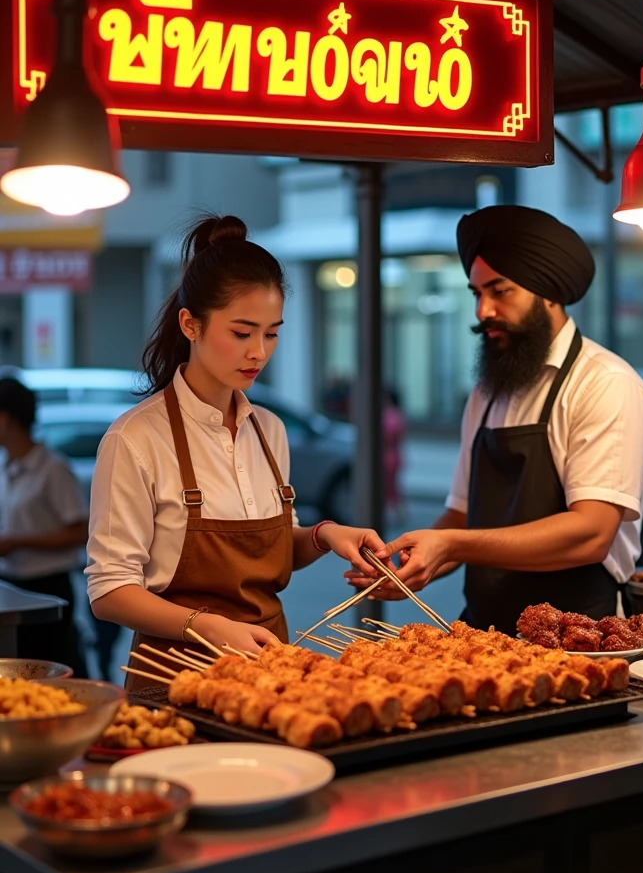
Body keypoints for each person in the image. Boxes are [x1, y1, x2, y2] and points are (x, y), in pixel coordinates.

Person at [86, 214, 386, 686]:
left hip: (270, 677)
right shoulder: (135, 438)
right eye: (242, 333)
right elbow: (109, 592)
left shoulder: (269, 430)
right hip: (175, 681)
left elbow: (274, 548)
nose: (259, 353)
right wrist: (207, 627)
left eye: (271, 333)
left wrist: (326, 535)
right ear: (190, 324)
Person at [347, 205, 643, 634]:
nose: (483, 311)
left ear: (548, 291)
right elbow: (460, 515)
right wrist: (412, 565)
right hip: (486, 633)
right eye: (477, 294)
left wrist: (451, 545)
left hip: (582, 637)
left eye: (500, 291)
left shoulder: (605, 384)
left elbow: (591, 532)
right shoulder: (487, 391)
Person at [0, 377, 89, 674]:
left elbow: (80, 530)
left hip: (48, 587)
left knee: (50, 671)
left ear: (5, 419)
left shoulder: (52, 468)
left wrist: (18, 542)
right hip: (12, 585)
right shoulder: (7, 466)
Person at [383, 388, 406, 522]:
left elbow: (388, 435)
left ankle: (396, 513)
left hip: (388, 455)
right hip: (396, 454)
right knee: (395, 487)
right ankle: (399, 513)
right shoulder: (398, 415)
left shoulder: (389, 416)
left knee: (389, 487)